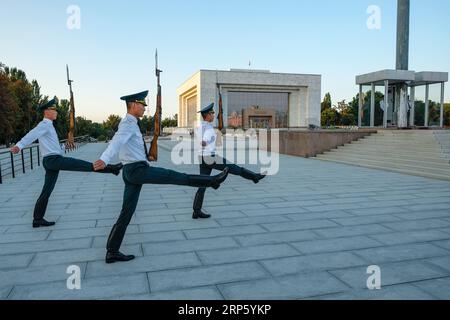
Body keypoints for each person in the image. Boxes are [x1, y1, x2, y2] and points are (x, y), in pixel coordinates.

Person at [93, 91, 229, 264]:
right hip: (137, 170)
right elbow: (117, 142)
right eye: (142, 105)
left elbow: (127, 146)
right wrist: (104, 159)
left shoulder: (130, 123)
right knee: (174, 176)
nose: (144, 108)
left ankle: (112, 251)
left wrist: (146, 155)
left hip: (132, 170)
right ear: (133, 105)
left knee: (126, 212)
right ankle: (212, 181)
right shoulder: (128, 124)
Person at [10, 98, 123, 228]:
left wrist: (64, 147)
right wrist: (19, 146)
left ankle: (37, 219)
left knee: (46, 191)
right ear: (47, 112)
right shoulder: (44, 125)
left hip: (51, 160)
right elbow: (31, 135)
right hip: (53, 161)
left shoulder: (49, 126)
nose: (56, 112)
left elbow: (52, 147)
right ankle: (112, 169)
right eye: (54, 110)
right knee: (84, 165)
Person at [192, 103, 266, 219]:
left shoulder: (200, 126)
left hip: (202, 158)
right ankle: (254, 177)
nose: (213, 115)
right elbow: (204, 141)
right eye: (212, 113)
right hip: (210, 157)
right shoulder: (209, 128)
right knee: (233, 168)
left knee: (203, 183)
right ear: (207, 115)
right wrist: (204, 142)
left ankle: (196, 211)